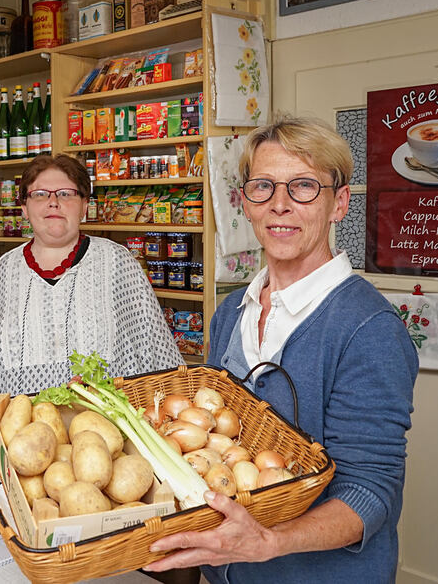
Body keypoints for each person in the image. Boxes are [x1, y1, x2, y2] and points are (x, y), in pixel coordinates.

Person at [144, 115, 418, 583]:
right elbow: (218, 446)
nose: (280, 205)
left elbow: (371, 492)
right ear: (246, 203)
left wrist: (269, 542)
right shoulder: (233, 311)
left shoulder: (368, 327)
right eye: (263, 187)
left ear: (339, 204)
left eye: (304, 187)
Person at [0, 154, 184, 400]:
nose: (53, 202)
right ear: (24, 208)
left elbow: (160, 357)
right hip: (15, 434)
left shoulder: (117, 261)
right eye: (40, 194)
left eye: (65, 193)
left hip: (102, 432)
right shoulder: (5, 269)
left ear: (84, 205)